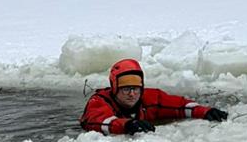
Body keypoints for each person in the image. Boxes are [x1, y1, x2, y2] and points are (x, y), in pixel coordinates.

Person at [80, 58, 230, 135]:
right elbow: (99, 122)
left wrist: (205, 111)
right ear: (114, 88)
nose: (132, 94)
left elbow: (180, 105)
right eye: (126, 89)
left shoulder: (150, 98)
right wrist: (127, 125)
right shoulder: (98, 102)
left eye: (136, 88)